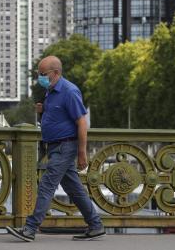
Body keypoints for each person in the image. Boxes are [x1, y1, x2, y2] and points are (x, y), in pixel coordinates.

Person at [6, 56, 105, 242]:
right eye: (38, 74)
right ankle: (96, 225)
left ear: (56, 73)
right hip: (55, 146)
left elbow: (82, 123)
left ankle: (30, 228)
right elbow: (59, 116)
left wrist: (82, 153)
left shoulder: (69, 91)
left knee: (46, 185)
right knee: (73, 188)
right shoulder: (51, 91)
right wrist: (42, 111)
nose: (39, 77)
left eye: (43, 74)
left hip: (65, 146)